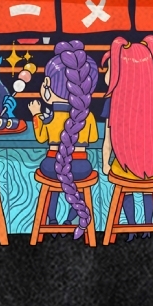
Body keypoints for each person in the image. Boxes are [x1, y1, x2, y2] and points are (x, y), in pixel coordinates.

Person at [101, 36, 153, 235]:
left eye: (111, 69)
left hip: (127, 165)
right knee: (148, 184)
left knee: (126, 184)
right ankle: (149, 225)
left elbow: (108, 140)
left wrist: (105, 163)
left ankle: (131, 226)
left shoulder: (114, 102)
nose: (107, 75)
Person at [27, 40, 99, 237]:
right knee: (73, 187)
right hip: (82, 167)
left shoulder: (50, 117)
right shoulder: (88, 117)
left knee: (55, 186)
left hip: (52, 165)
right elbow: (93, 138)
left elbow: (41, 137)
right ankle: (70, 219)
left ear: (47, 86)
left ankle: (51, 219)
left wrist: (36, 115)